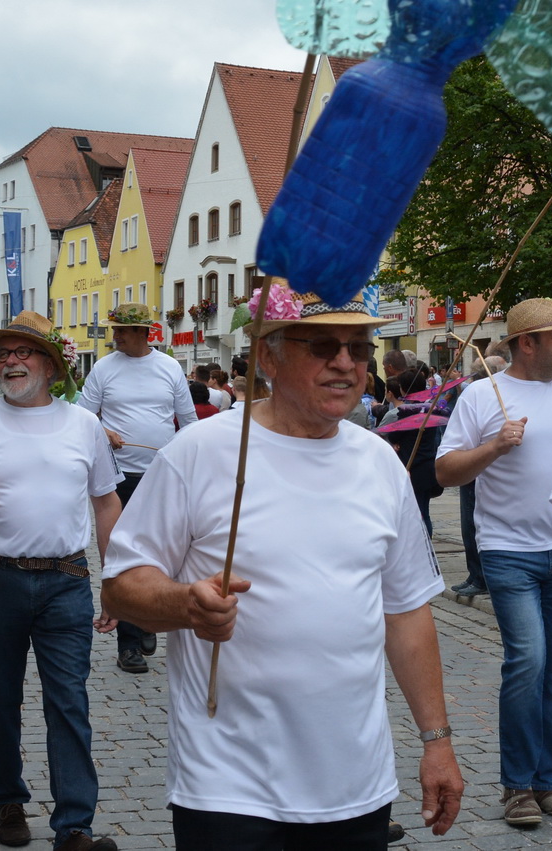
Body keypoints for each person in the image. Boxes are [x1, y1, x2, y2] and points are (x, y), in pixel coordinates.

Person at [104, 291, 462, 849]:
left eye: (358, 349)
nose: (345, 363)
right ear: (268, 357)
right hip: (227, 785)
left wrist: (436, 741)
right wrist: (186, 604)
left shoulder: (380, 463)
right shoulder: (199, 452)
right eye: (322, 345)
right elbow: (121, 587)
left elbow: (407, 613)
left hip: (354, 784)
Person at [0, 309, 123, 851]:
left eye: (24, 352)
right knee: (1, 695)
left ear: (52, 366)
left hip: (67, 578)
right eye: (5, 354)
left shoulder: (84, 425)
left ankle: (75, 827)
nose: (11, 362)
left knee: (69, 700)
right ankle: (10, 799)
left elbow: (106, 503)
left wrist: (115, 579)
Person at [436, 299, 552, 829]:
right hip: (508, 552)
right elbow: (446, 472)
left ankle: (547, 782)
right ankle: (517, 785)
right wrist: (495, 447)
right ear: (528, 343)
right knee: (528, 662)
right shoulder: (482, 395)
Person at [77, 301, 196, 674]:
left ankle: (148, 619)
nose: (115, 337)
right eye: (114, 330)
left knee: (163, 551)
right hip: (119, 476)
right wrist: (103, 431)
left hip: (162, 473)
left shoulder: (169, 367)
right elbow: (82, 417)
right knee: (125, 553)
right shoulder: (104, 367)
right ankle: (128, 643)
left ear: (144, 333)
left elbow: (189, 421)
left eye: (122, 331)